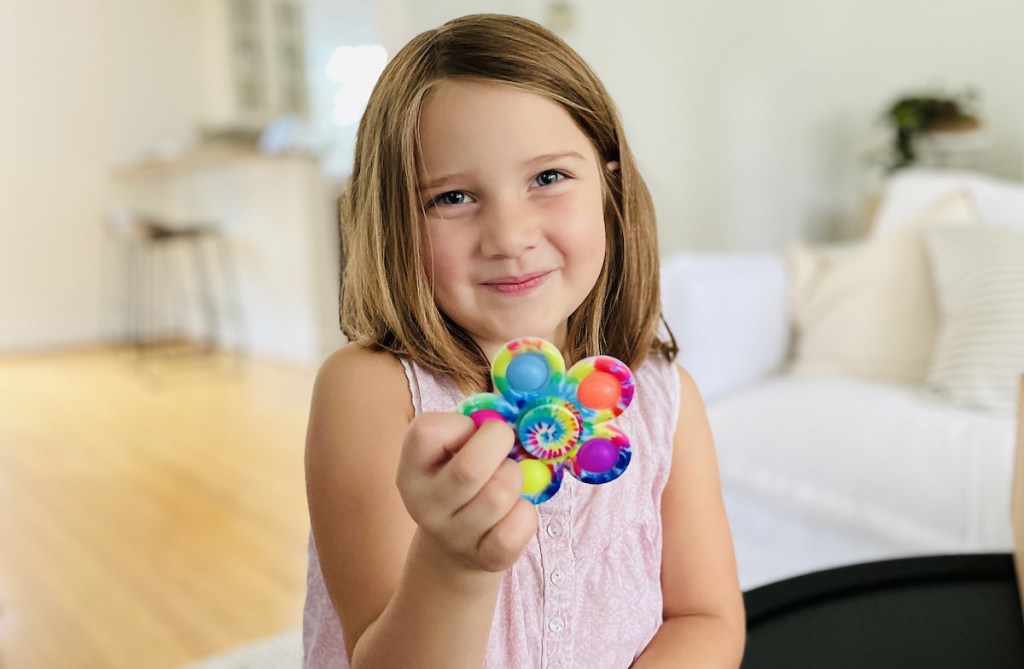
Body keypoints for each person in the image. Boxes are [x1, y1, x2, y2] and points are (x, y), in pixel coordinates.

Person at [303, 13, 745, 669]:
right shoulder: (370, 391)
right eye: (452, 196)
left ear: (610, 189)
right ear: (396, 224)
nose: (509, 234)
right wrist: (454, 563)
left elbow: (706, 617)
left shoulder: (664, 402)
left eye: (547, 179)